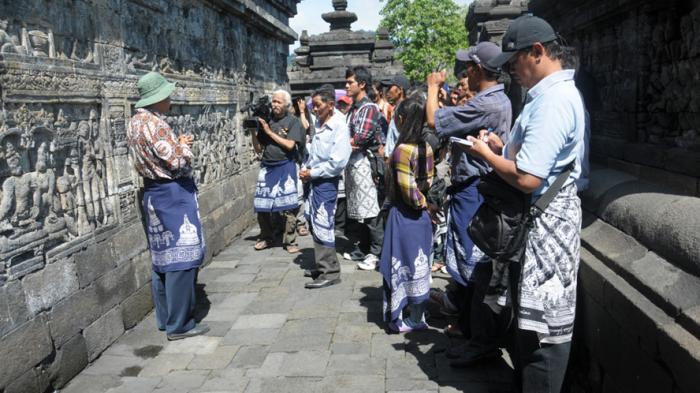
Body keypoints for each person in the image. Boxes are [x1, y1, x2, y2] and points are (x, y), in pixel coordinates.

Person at [466, 15, 586, 393]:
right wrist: (505, 150)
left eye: (514, 61)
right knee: (531, 328)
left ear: (537, 52)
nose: (511, 72)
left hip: (546, 228)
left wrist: (487, 154)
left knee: (543, 338)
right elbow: (533, 161)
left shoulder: (553, 101)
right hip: (538, 227)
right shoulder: (548, 97)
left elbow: (529, 178)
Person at [425, 42, 513, 367]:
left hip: (476, 191)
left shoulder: (487, 103)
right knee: (469, 265)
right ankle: (469, 329)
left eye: (467, 68)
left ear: (477, 70)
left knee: (474, 267)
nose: (464, 74)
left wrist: (432, 87)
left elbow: (434, 120)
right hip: (472, 189)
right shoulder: (493, 100)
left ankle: (478, 338)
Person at [126, 71, 209, 340]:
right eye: (167, 94)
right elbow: (178, 162)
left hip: (153, 192)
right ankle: (180, 324)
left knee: (162, 257)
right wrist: (184, 146)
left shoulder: (134, 123)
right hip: (172, 193)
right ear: (158, 98)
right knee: (182, 258)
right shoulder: (157, 125)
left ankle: (166, 318)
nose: (170, 98)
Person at [379, 95, 434, 332]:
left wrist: (419, 201)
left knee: (399, 264)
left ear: (402, 119)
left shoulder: (402, 150)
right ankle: (418, 316)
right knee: (420, 266)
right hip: (422, 219)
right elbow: (427, 184)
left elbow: (409, 192)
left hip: (404, 216)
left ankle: (399, 317)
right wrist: (426, 203)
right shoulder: (427, 147)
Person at [300, 84, 351, 289]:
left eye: (318, 105)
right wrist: (307, 169)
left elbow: (337, 162)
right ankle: (322, 265)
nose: (314, 109)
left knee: (323, 224)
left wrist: (312, 173)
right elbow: (314, 152)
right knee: (314, 220)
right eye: (313, 105)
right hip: (314, 179)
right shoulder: (320, 122)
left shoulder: (338, 125)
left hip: (325, 180)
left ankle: (330, 270)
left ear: (330, 105)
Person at [252, 90, 306, 254]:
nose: (274, 104)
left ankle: (290, 240)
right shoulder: (266, 121)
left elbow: (290, 145)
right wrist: (254, 132)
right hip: (268, 167)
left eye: (278, 102)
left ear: (286, 105)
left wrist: (269, 132)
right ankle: (267, 237)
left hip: (286, 165)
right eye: (273, 101)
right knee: (262, 205)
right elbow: (258, 149)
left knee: (289, 205)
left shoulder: (293, 122)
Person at [344, 66, 385, 271]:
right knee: (359, 209)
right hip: (354, 163)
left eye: (350, 82)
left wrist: (345, 143)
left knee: (371, 210)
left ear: (362, 84)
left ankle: (376, 252)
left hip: (366, 163)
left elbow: (359, 139)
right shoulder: (353, 108)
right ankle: (364, 246)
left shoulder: (368, 108)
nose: (346, 85)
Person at [381, 74, 410, 159]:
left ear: (399, 90)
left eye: (390, 88)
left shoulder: (406, 110)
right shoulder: (397, 109)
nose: (387, 92)